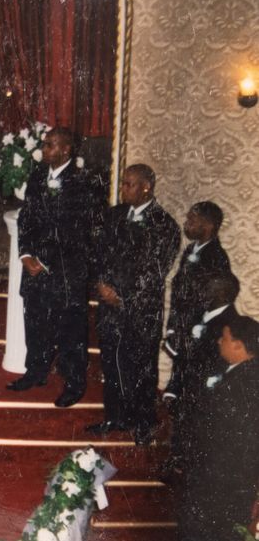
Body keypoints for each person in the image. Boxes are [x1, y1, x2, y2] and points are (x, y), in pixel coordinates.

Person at [89, 164, 180, 445]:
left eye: (129, 184)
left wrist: (123, 297)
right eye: (123, 183)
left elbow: (155, 272)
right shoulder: (114, 214)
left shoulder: (165, 225)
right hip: (108, 306)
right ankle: (115, 416)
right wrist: (101, 284)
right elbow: (97, 253)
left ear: (146, 188)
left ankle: (143, 424)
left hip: (141, 310)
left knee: (142, 368)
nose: (123, 189)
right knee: (111, 362)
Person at [8, 127, 98, 407]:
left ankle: (74, 383)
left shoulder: (83, 182)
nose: (44, 150)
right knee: (35, 323)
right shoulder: (37, 176)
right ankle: (36, 371)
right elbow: (26, 219)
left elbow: (79, 231)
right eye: (44, 144)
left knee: (70, 331)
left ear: (66, 149)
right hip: (34, 267)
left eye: (50, 145)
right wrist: (25, 254)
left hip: (65, 271)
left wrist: (44, 260)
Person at [176, 315, 259, 541]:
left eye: (224, 337)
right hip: (229, 487)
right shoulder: (245, 376)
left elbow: (226, 440)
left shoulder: (239, 385)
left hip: (216, 487)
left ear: (238, 345)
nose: (219, 342)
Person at [164, 271, 238, 477]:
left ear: (222, 294)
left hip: (206, 398)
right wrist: (172, 389)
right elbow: (183, 356)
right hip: (188, 394)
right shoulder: (200, 315)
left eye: (208, 288)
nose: (201, 291)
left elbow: (216, 366)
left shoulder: (230, 325)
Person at [163, 201, 231, 375]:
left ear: (208, 225)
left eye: (192, 221)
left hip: (199, 335)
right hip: (182, 332)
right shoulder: (190, 250)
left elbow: (211, 302)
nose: (186, 224)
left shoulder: (216, 257)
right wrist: (172, 329)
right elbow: (178, 292)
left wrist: (190, 333)